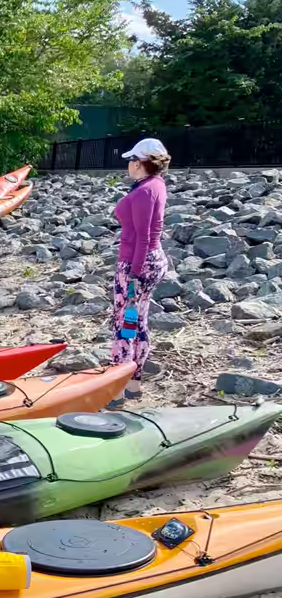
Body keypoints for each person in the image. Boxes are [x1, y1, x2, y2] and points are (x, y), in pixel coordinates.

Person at [110, 138, 170, 407]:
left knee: (125, 324)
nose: (128, 165)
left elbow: (144, 237)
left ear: (139, 163)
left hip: (138, 265)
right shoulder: (155, 185)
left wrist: (133, 273)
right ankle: (133, 384)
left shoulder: (145, 191)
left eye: (131, 160)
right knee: (137, 321)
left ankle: (117, 390)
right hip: (148, 262)